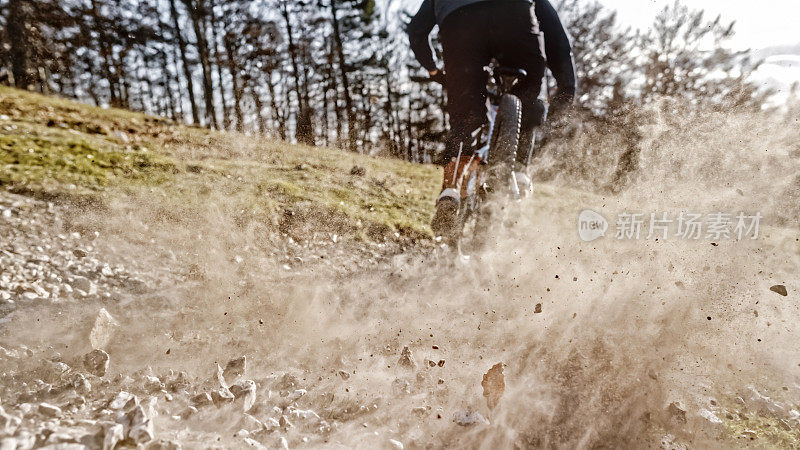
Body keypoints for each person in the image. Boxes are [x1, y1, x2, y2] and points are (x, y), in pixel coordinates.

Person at [406, 0, 576, 235]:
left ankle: (451, 190)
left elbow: (416, 30)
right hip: (514, 15)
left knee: (466, 115)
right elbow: (555, 33)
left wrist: (433, 69)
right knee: (527, 94)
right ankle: (518, 170)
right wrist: (567, 85)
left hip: (459, 22)